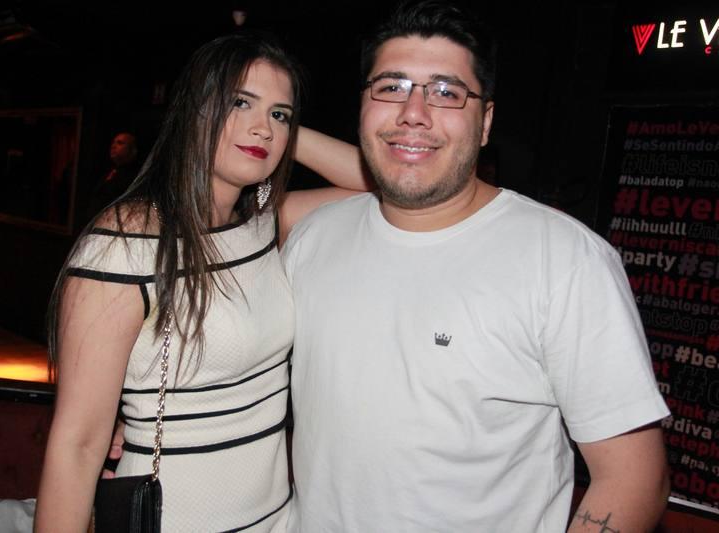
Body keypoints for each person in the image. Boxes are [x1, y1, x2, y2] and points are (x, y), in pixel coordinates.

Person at [282, 1, 670, 531]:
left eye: (446, 92)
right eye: (391, 87)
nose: (413, 112)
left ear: (485, 122)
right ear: (363, 106)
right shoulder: (313, 237)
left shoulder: (562, 260)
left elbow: (634, 478)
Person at [34, 32, 365, 532]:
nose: (263, 127)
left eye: (280, 113)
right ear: (195, 109)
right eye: (239, 102)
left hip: (277, 521)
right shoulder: (127, 243)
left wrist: (282, 134)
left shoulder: (263, 224)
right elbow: (77, 445)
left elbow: (383, 187)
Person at [84, 131, 141, 222]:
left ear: (132, 150)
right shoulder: (110, 171)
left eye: (120, 143)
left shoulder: (135, 176)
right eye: (113, 142)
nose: (113, 146)